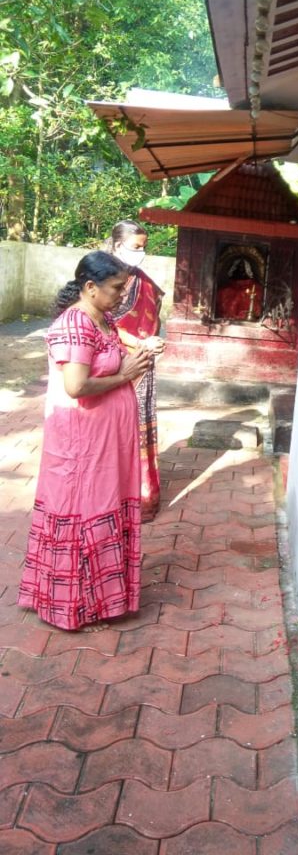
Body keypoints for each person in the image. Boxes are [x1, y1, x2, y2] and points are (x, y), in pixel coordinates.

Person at [18, 251, 152, 631]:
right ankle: (74, 607)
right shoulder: (75, 325)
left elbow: (113, 353)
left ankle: (99, 600)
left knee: (102, 506)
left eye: (124, 289)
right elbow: (76, 386)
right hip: (83, 444)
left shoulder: (102, 317)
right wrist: (125, 374)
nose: (122, 297)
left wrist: (138, 354)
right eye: (115, 289)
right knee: (85, 513)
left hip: (105, 443)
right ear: (90, 287)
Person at [105, 219, 165, 520]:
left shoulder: (144, 282)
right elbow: (102, 321)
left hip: (143, 362)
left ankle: (141, 494)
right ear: (117, 245)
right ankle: (109, 496)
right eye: (135, 247)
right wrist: (136, 342)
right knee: (110, 428)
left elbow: (154, 316)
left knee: (138, 425)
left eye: (143, 248)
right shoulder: (99, 278)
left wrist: (155, 342)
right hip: (110, 364)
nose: (140, 253)